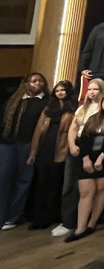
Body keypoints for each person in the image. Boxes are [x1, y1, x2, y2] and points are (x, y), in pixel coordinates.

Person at [64, 94, 104, 242]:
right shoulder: (93, 118)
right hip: (87, 158)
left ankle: (92, 224)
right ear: (102, 103)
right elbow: (84, 139)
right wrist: (85, 158)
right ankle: (80, 228)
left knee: (100, 191)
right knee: (86, 192)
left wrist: (101, 158)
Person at [57, 79, 104, 237]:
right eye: (89, 89)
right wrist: (71, 145)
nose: (91, 92)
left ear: (101, 91)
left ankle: (83, 223)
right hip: (77, 147)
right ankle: (66, 222)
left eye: (95, 89)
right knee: (68, 185)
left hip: (94, 147)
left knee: (87, 189)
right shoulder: (81, 109)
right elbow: (72, 129)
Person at [0, 73, 48, 230]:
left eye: (40, 81)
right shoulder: (14, 100)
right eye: (34, 81)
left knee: (22, 181)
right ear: (26, 83)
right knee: (3, 179)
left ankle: (13, 216)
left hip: (27, 145)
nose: (37, 84)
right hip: (7, 144)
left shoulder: (45, 102)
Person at [27, 80, 76, 231]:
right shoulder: (48, 108)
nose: (60, 93)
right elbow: (37, 132)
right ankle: (38, 217)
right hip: (45, 148)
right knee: (41, 184)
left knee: (54, 185)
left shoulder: (73, 109)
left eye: (63, 90)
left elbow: (71, 132)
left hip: (61, 149)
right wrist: (33, 152)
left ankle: (49, 217)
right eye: (57, 90)